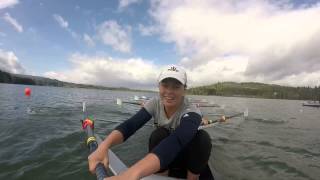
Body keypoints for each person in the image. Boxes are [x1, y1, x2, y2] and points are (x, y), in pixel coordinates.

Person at [88, 65, 212, 180]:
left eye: (176, 86)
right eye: (165, 85)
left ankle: (193, 178)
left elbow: (178, 139)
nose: (169, 91)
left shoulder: (192, 110)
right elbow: (130, 125)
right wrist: (104, 146)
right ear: (159, 87)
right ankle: (161, 176)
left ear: (184, 90)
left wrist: (131, 174)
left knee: (203, 138)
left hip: (188, 157)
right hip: (163, 158)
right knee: (158, 134)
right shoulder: (154, 103)